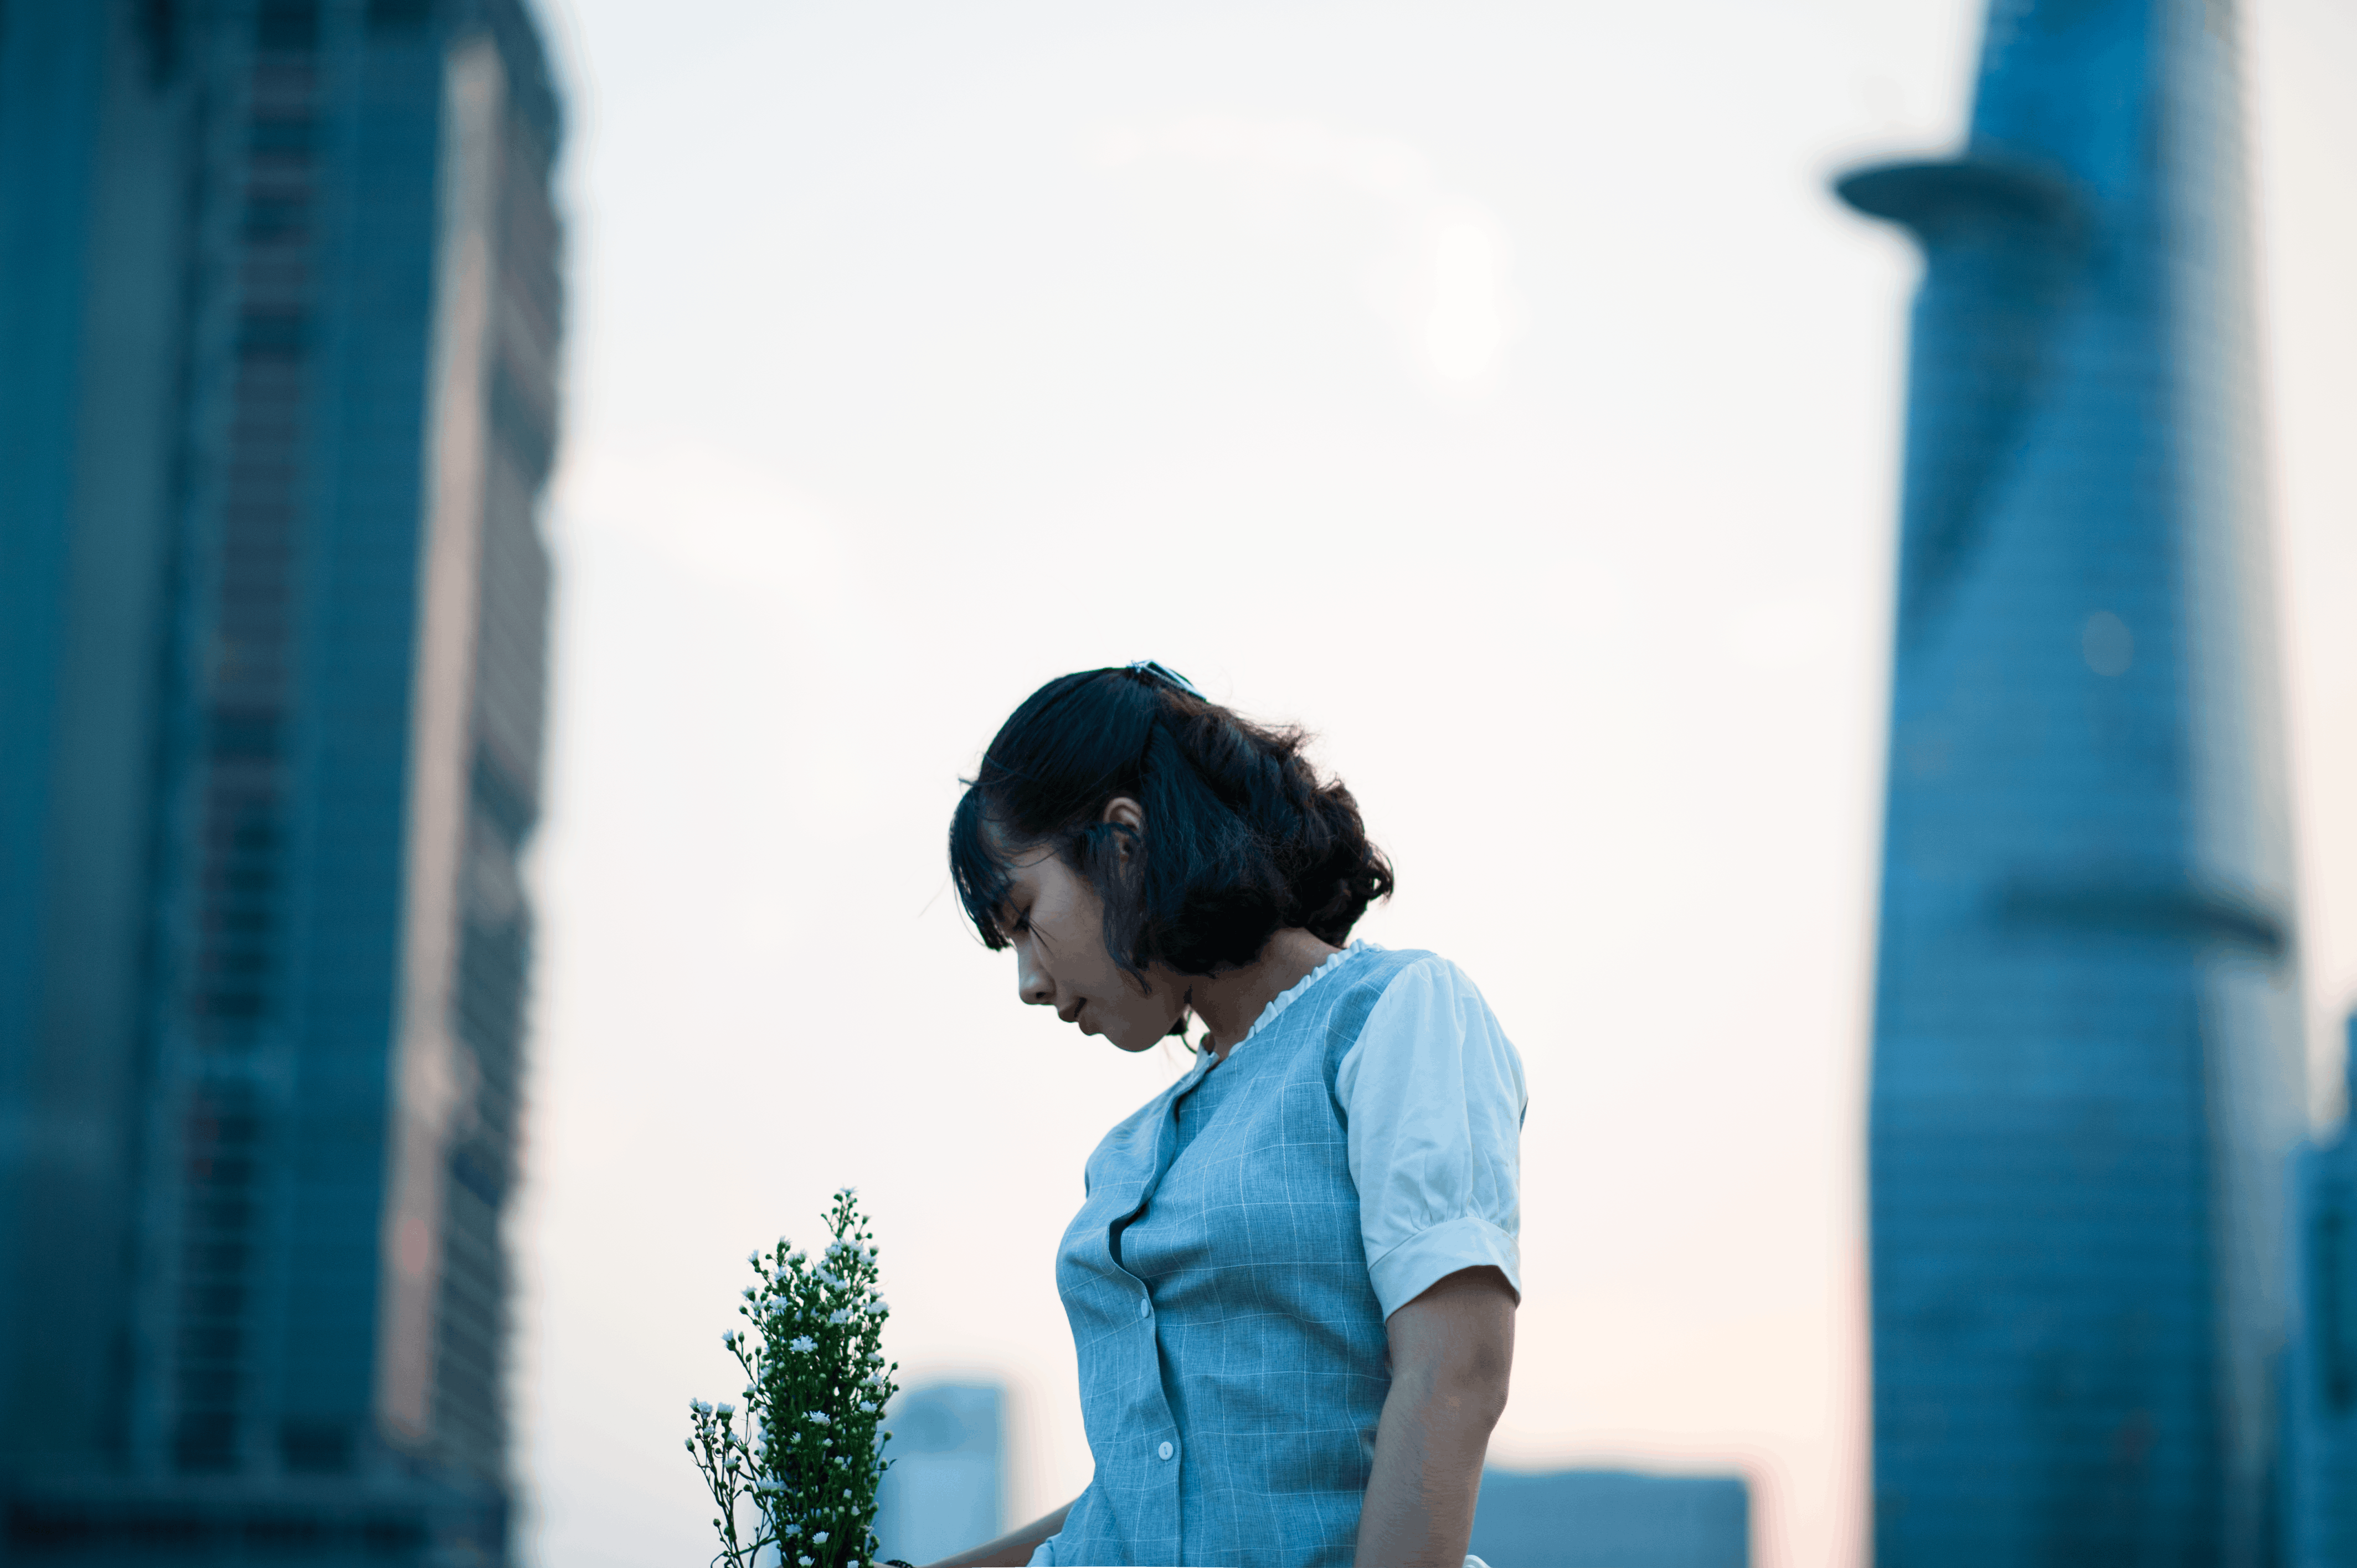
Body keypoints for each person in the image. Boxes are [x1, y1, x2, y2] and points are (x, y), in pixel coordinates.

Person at [934, 662, 1526, 1568]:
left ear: (1124, 842)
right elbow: (1143, 1497)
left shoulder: (1392, 1016)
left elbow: (1455, 1377)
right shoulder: (1130, 1150)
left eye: (1024, 917)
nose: (1028, 983)